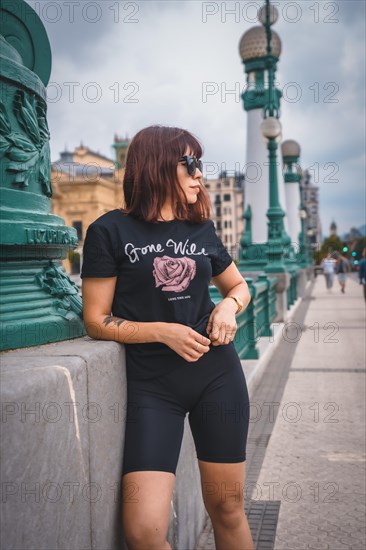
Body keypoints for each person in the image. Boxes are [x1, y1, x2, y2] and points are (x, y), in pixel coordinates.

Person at [81, 125, 254, 550]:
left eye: (200, 164)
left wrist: (228, 307)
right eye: (191, 163)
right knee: (143, 530)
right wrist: (162, 331)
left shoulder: (201, 230)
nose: (200, 174)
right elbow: (96, 320)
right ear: (158, 165)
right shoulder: (109, 231)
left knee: (228, 510)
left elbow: (240, 288)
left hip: (217, 375)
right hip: (152, 387)